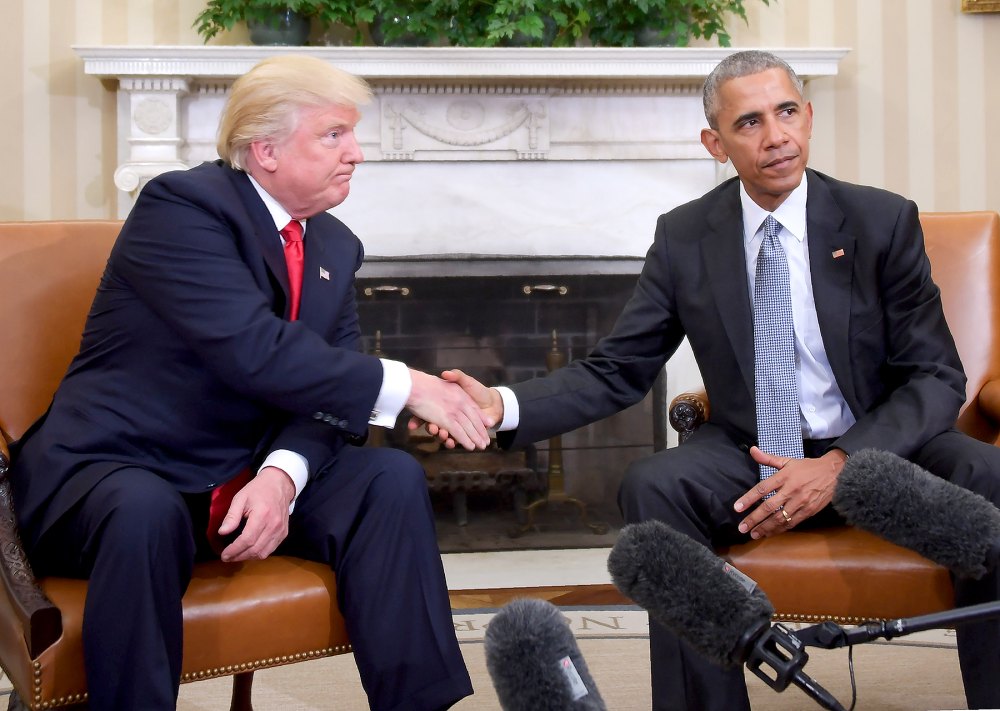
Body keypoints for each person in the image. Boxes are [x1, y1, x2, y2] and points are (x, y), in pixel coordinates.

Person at [433, 50, 1000, 710]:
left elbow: (934, 375)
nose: (776, 136)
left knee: (986, 476)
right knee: (653, 485)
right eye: (750, 122)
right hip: (752, 450)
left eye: (787, 112)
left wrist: (845, 462)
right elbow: (619, 367)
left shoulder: (880, 220)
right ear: (716, 142)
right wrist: (501, 404)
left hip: (882, 446)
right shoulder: (685, 238)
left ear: (809, 117)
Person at [10, 55, 490, 711]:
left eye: (352, 134)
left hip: (236, 477)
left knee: (388, 479)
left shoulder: (334, 246)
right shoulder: (182, 208)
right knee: (142, 511)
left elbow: (326, 394)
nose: (356, 153)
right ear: (264, 149)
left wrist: (282, 477)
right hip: (116, 466)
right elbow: (253, 350)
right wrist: (408, 385)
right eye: (334, 135)